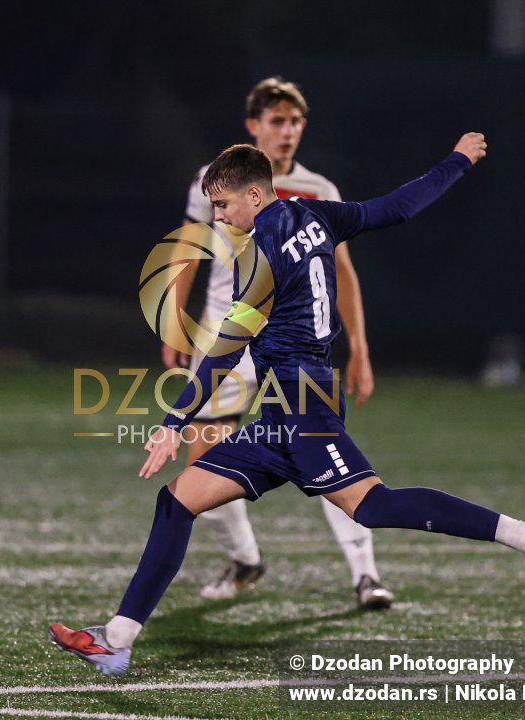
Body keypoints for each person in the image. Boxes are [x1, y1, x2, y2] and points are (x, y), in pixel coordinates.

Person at [51, 133, 525, 677]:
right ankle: (117, 638)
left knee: (374, 506)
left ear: (256, 197)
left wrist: (172, 422)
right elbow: (397, 208)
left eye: (222, 204)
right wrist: (457, 162)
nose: (217, 215)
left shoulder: (258, 258)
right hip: (284, 409)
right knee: (178, 500)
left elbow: (221, 354)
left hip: (306, 404)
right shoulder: (317, 215)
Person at [166, 77, 391, 609]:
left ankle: (366, 573)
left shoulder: (319, 190)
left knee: (324, 455)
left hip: (293, 346)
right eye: (276, 121)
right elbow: (185, 247)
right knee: (204, 453)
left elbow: (344, 274)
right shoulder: (214, 181)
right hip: (229, 335)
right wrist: (174, 321)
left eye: (294, 121)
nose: (287, 131)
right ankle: (245, 559)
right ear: (253, 126)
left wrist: (358, 346)